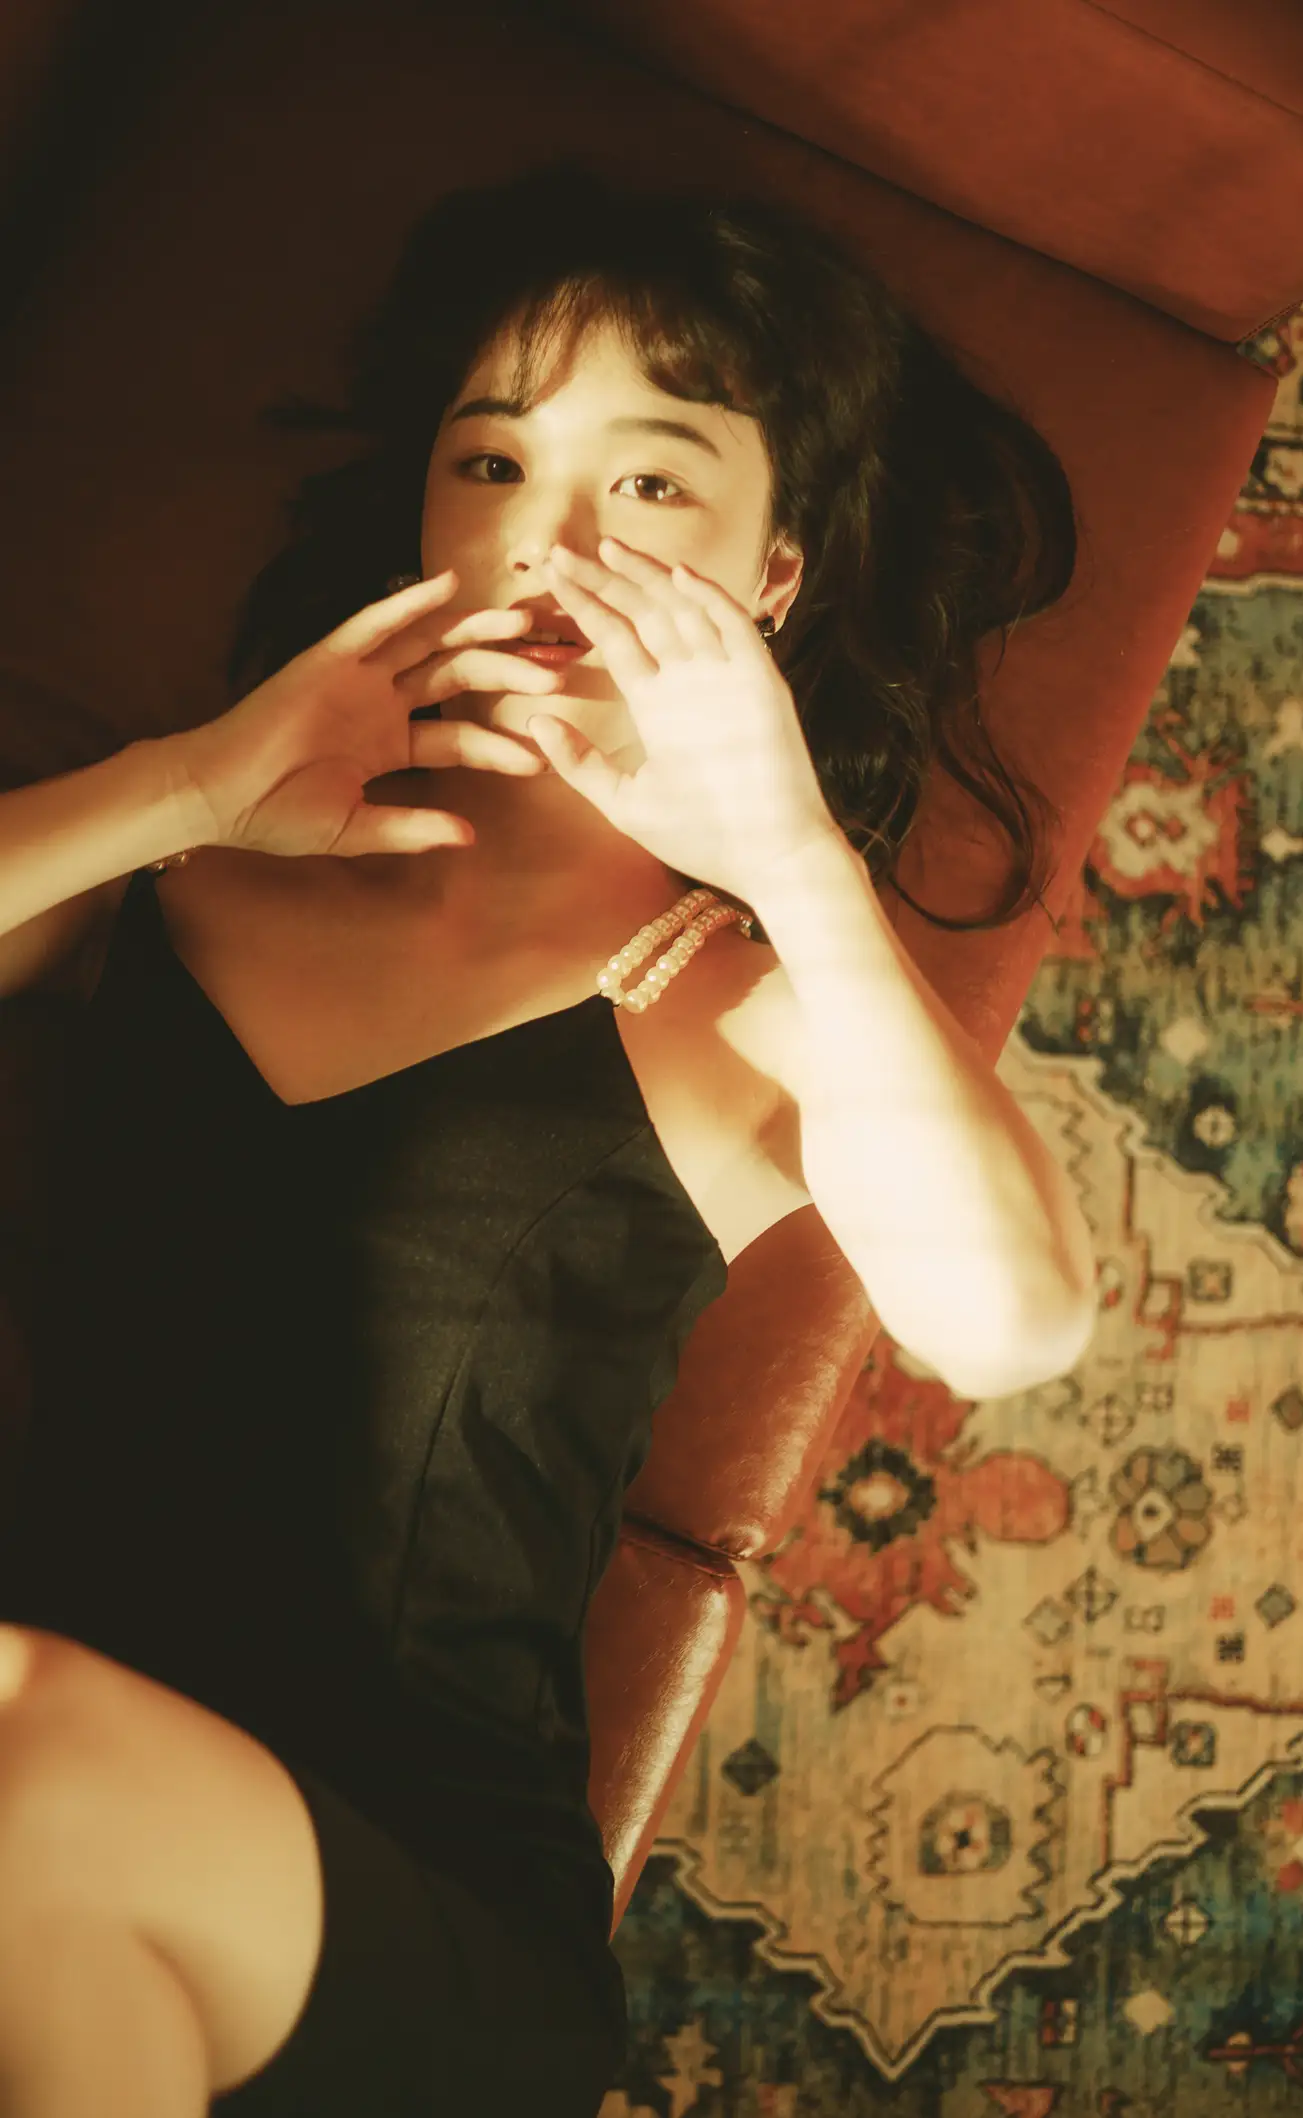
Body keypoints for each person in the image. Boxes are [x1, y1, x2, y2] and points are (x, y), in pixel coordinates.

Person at [0, 159, 1077, 2116]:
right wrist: (186, 785)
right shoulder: (186, 870)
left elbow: (1011, 1324)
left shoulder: (742, 999)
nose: (547, 539)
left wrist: (791, 857)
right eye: (491, 464)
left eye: (652, 482)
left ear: (771, 580)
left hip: (406, 1927)